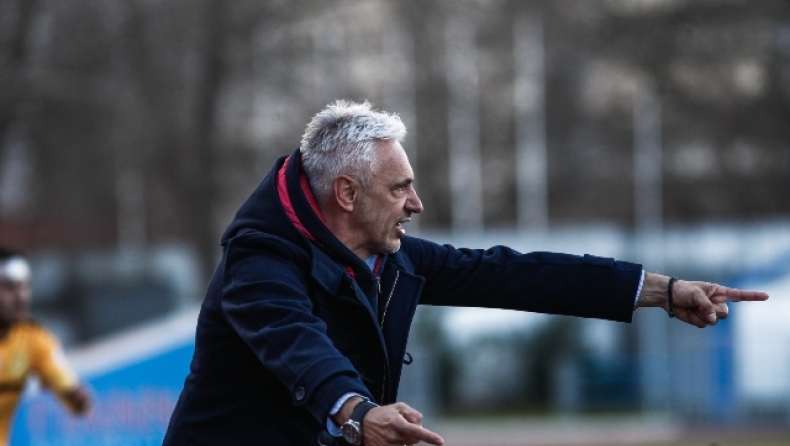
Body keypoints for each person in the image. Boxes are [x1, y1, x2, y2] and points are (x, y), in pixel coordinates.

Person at [163, 100, 769, 446]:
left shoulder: (390, 257)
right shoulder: (258, 261)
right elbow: (297, 345)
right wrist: (358, 412)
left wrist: (663, 291)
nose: (417, 203)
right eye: (400, 188)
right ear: (346, 194)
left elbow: (515, 275)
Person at [0, 249, 91, 445]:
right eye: (9, 288)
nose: (20, 297)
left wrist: (74, 395)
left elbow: (71, 392)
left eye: (25, 286)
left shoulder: (34, 340)